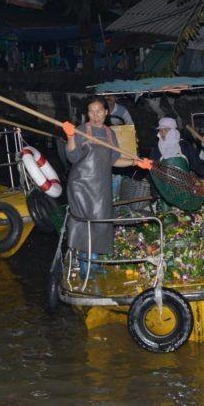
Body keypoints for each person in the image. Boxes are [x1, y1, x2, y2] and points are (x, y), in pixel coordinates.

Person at [62, 97, 152, 275]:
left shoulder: (110, 134)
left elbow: (114, 160)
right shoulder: (81, 130)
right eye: (91, 111)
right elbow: (72, 156)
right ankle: (85, 267)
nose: (95, 115)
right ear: (87, 113)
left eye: (98, 111)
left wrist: (135, 162)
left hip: (101, 185)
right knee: (85, 223)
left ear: (106, 112)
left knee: (101, 222)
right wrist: (71, 136)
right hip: (81, 185)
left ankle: (95, 263)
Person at [149, 117, 204, 190]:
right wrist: (154, 189)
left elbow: (198, 165)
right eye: (160, 130)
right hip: (165, 189)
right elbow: (153, 170)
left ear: (173, 130)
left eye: (165, 130)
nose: (162, 133)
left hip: (185, 187)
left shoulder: (184, 146)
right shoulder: (156, 149)